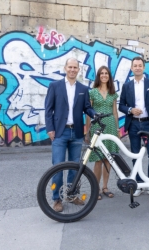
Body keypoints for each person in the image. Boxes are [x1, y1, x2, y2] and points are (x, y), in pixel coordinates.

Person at [45, 58, 96, 212]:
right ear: (65, 68)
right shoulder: (55, 86)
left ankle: (72, 195)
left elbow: (87, 108)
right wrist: (50, 129)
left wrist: (95, 114)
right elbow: (48, 109)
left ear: (78, 70)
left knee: (75, 168)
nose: (73, 70)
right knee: (58, 168)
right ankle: (57, 199)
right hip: (60, 132)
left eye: (75, 67)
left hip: (77, 132)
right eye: (70, 67)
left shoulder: (83, 88)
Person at [119, 56, 149, 198]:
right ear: (131, 68)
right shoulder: (127, 86)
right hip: (133, 124)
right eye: (135, 65)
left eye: (140, 65)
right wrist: (130, 110)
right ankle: (139, 184)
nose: (138, 68)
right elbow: (121, 105)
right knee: (135, 156)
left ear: (144, 68)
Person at [85, 66, 120, 200]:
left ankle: (105, 187)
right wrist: (87, 131)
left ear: (109, 76)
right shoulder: (93, 92)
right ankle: (96, 188)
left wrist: (117, 129)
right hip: (97, 127)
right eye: (102, 73)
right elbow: (89, 113)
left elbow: (115, 112)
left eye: (106, 73)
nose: (104, 75)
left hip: (110, 126)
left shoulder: (112, 93)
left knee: (108, 158)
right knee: (98, 159)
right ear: (98, 76)